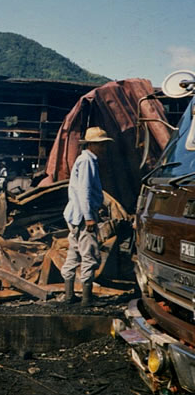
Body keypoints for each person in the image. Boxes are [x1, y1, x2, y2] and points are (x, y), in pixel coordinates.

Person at [60, 127, 113, 307]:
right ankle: (86, 299)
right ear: (92, 144)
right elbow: (85, 191)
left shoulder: (86, 160)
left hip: (75, 216)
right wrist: (89, 217)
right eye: (101, 145)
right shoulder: (87, 161)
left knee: (73, 254)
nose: (104, 148)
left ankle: (69, 296)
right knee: (89, 255)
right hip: (83, 217)